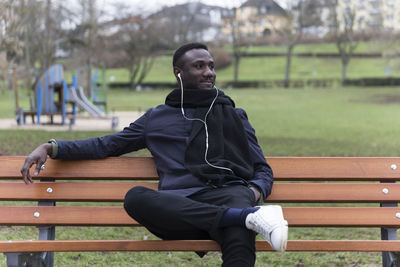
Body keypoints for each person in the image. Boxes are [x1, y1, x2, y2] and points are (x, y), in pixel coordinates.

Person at [21, 42, 288, 267]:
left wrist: (254, 191)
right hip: (178, 207)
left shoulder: (234, 115)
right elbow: (107, 144)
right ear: (178, 72)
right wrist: (52, 147)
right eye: (199, 66)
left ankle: (241, 217)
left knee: (238, 230)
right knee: (136, 198)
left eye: (211, 66)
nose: (209, 73)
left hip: (228, 194)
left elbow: (261, 169)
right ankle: (247, 218)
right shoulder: (157, 118)